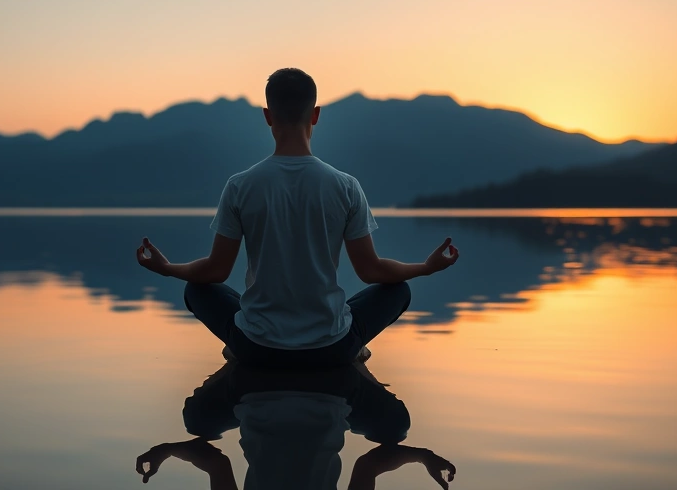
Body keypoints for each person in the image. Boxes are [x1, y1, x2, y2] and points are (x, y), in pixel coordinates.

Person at [135, 68, 459, 368]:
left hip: (257, 346)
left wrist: (166, 269)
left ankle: (238, 347)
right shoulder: (346, 186)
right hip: (330, 347)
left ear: (267, 116)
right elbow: (371, 271)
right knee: (398, 291)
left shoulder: (240, 186)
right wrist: (426, 268)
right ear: (316, 115)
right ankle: (353, 348)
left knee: (196, 289)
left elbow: (215, 271)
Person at [135, 362, 457, 489]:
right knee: (197, 423)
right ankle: (239, 356)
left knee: (396, 429)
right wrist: (166, 451)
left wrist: (422, 456)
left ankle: (352, 358)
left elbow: (368, 465)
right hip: (256, 383)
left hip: (332, 387)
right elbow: (215, 463)